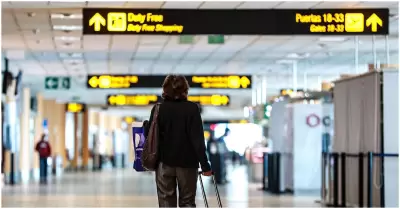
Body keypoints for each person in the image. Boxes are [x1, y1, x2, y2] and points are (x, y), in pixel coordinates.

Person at [144, 75, 212, 208]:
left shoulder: (158, 109)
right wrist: (205, 166)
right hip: (187, 164)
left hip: (164, 163)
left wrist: (147, 126)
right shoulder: (192, 109)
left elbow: (150, 136)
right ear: (185, 89)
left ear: (165, 89)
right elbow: (197, 139)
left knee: (165, 203)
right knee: (187, 202)